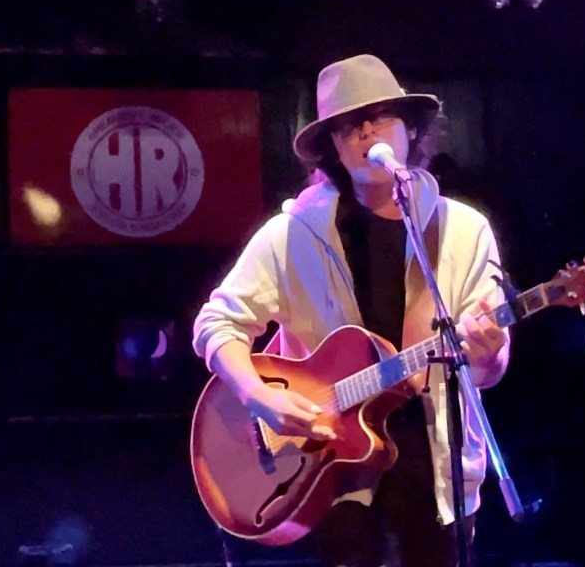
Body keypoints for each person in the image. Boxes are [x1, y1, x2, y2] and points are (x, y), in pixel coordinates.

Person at [192, 53, 512, 567]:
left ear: (411, 129)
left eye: (379, 117)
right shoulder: (293, 233)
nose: (365, 133)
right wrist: (257, 395)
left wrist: (489, 353)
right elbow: (216, 323)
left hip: (435, 466)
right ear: (333, 149)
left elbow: (486, 371)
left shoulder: (464, 230)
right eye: (347, 127)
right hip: (327, 465)